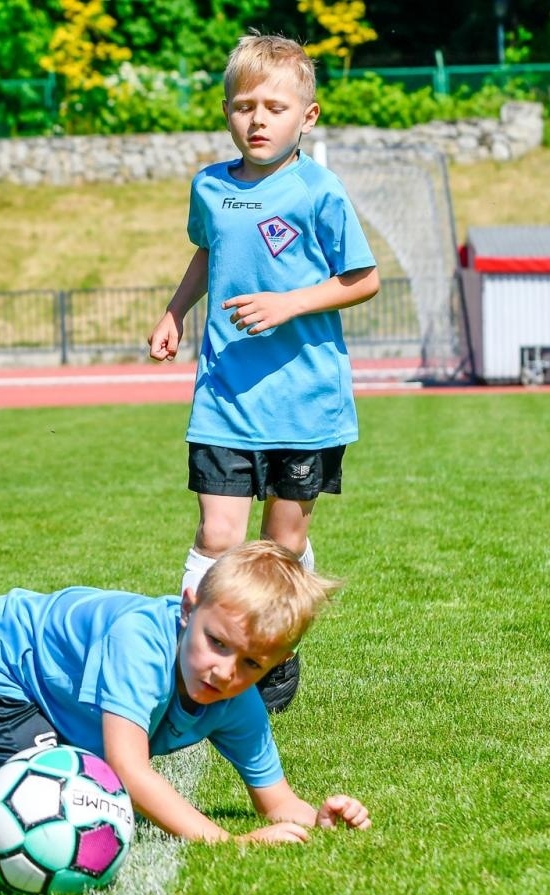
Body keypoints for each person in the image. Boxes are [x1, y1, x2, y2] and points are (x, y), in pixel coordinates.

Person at [0, 541, 371, 845]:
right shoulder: (144, 643)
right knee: (62, 792)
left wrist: (315, 818)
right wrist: (227, 843)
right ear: (189, 610)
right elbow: (127, 772)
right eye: (216, 642)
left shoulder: (237, 704)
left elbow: (276, 802)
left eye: (251, 663)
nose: (225, 671)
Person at [146, 34, 380, 715]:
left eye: (274, 107)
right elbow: (206, 253)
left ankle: (275, 650)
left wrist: (291, 303)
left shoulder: (320, 190)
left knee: (285, 543)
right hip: (224, 396)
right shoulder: (211, 188)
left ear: (306, 117)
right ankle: (189, 644)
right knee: (218, 536)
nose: (258, 119)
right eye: (244, 105)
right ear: (226, 112)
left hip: (305, 402)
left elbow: (363, 279)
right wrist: (175, 311)